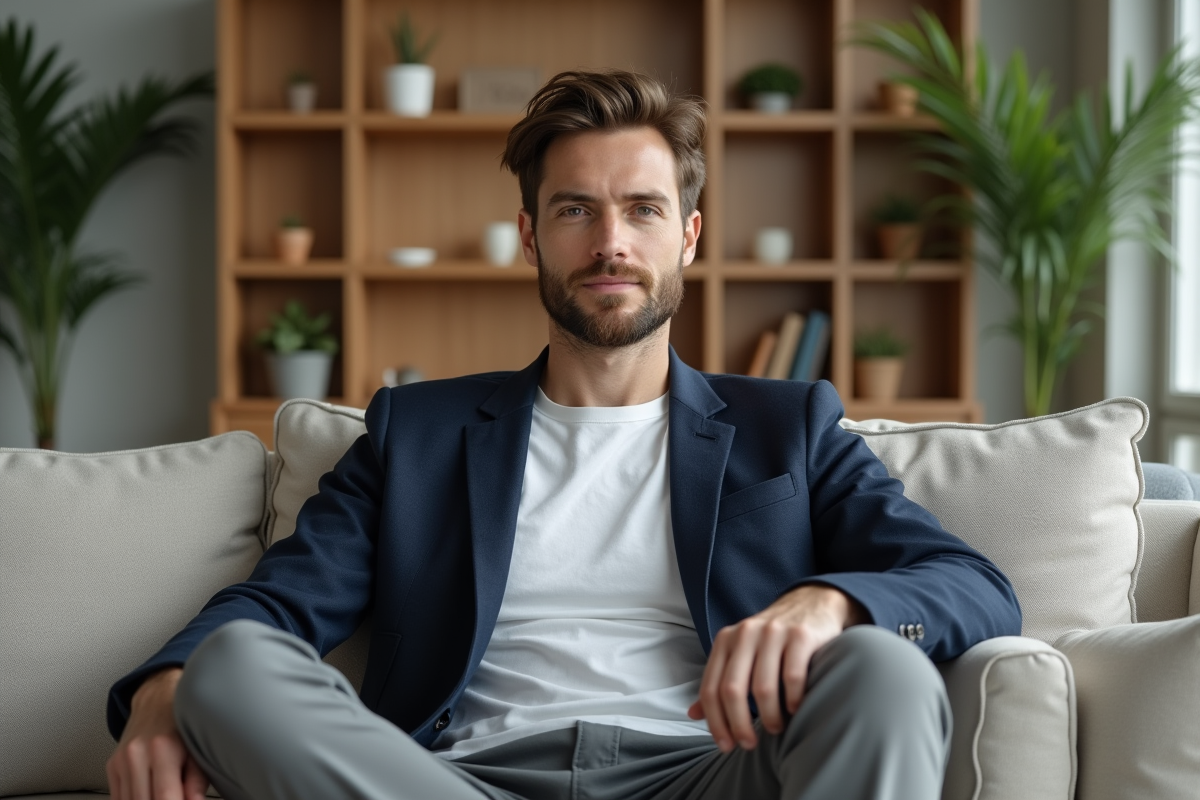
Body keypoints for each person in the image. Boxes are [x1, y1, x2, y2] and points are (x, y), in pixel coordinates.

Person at [106, 70, 1021, 800]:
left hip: (710, 772)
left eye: (644, 209)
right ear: (530, 237)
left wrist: (828, 604)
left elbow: (974, 588)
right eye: (576, 209)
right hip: (459, 777)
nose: (610, 241)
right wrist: (160, 691)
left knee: (882, 668)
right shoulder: (415, 431)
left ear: (690, 236)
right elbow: (276, 609)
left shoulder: (791, 426)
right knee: (229, 667)